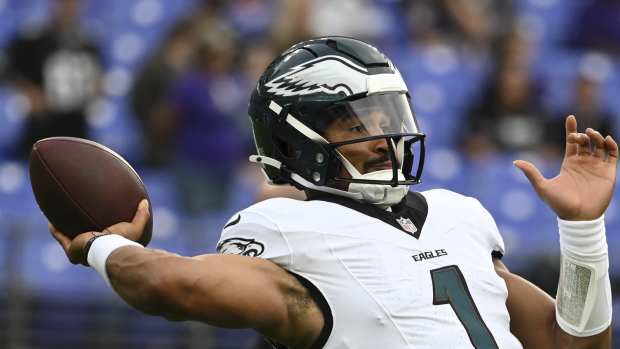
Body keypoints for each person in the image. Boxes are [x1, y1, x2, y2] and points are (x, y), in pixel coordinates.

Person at [49, 37, 615, 348]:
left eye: (389, 115)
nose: (385, 137)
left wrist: (584, 230)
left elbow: (576, 347)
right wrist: (103, 246)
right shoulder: (285, 232)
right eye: (357, 124)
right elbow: (180, 289)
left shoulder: (454, 214)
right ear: (295, 141)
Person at [5, 0, 102, 159]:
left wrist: (96, 88)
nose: (70, 7)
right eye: (65, 3)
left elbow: (97, 78)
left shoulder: (89, 41)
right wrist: (28, 91)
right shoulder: (34, 39)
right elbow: (8, 67)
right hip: (43, 126)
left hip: (77, 128)